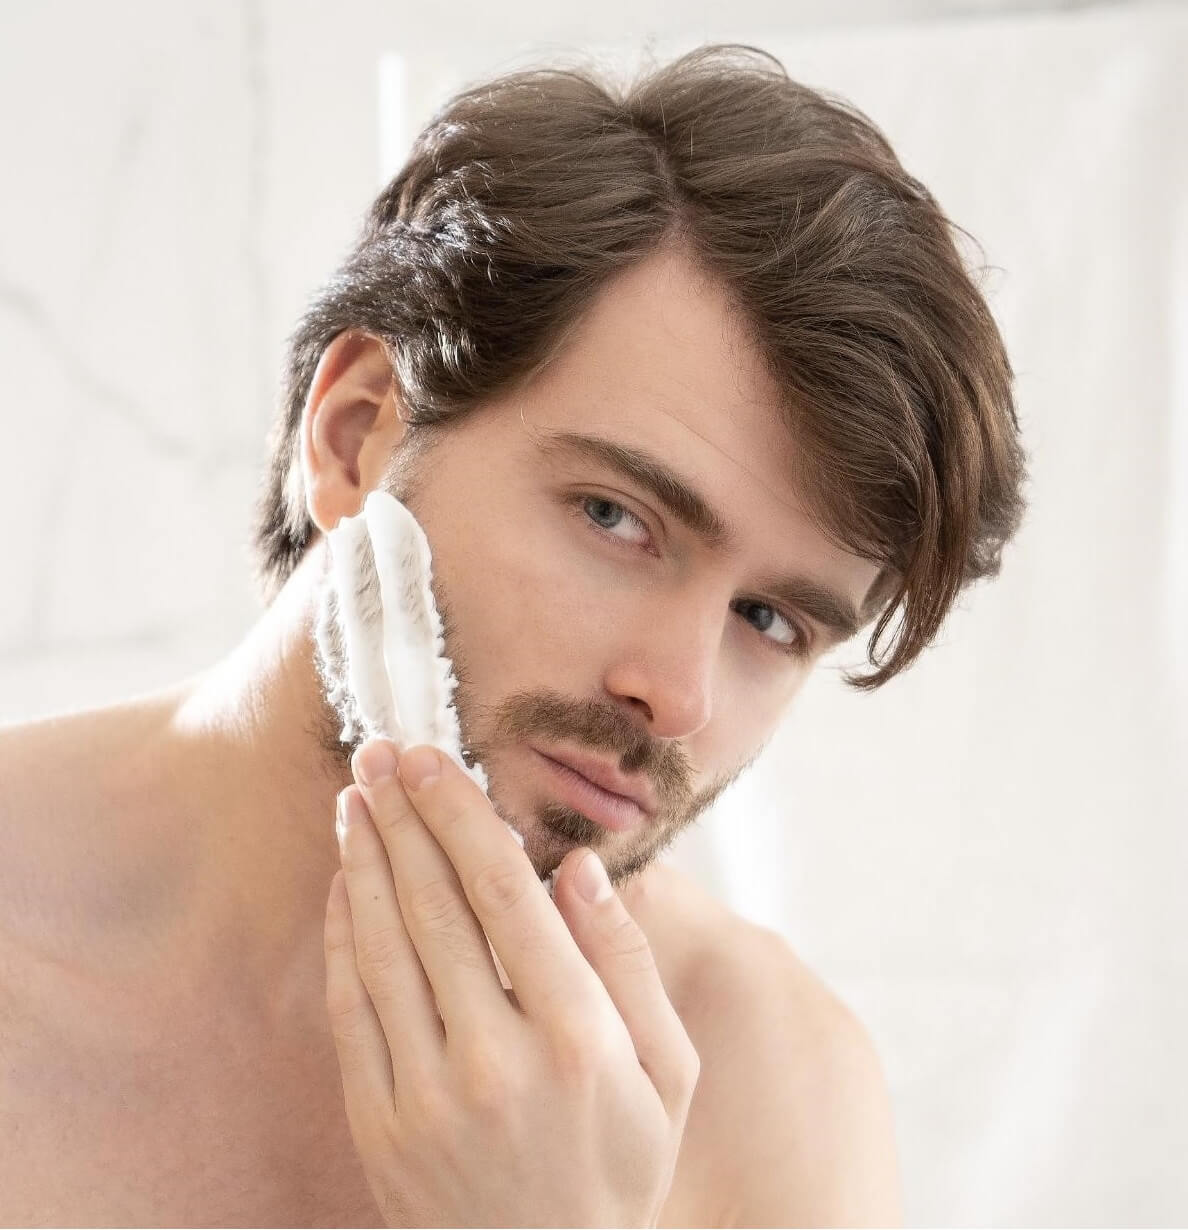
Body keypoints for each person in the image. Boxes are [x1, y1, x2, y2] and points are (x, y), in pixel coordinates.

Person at [0, 43, 1027, 1227]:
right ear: (356, 435)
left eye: (769, 620)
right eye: (616, 518)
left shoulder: (770, 1092)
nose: (679, 696)